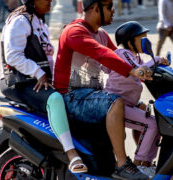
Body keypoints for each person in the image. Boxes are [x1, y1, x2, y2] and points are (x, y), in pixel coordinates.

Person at [53, 0, 151, 179]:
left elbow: (120, 57)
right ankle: (122, 165)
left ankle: (144, 163)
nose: (113, 11)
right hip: (72, 97)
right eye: (109, 7)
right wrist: (132, 70)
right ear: (96, 8)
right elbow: (101, 53)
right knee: (115, 101)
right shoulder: (74, 31)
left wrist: (152, 68)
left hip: (91, 96)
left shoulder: (102, 35)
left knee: (142, 108)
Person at [0, 0, 88, 174]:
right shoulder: (20, 21)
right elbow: (12, 56)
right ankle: (71, 154)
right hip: (18, 82)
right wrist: (38, 72)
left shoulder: (38, 21)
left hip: (37, 79)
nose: (50, 1)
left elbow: (47, 58)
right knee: (54, 99)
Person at [103, 21, 169, 177]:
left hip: (128, 104)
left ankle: (147, 163)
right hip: (115, 105)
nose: (146, 41)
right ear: (129, 41)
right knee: (151, 124)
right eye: (141, 38)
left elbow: (143, 69)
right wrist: (157, 59)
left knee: (157, 123)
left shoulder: (135, 57)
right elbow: (140, 71)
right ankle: (139, 164)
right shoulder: (123, 53)